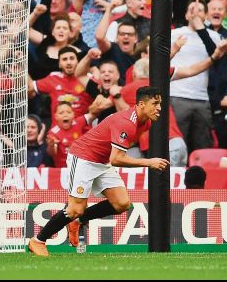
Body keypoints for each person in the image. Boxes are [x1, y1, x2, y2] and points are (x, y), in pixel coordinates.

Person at [28, 87, 169, 256]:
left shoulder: (145, 122)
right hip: (83, 158)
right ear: (141, 104)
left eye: (159, 103)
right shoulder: (127, 122)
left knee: (122, 203)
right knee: (74, 209)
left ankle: (78, 221)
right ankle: (38, 240)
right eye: (155, 103)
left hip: (102, 161)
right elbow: (117, 159)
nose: (159, 108)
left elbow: (115, 153)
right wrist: (148, 162)